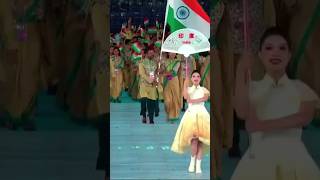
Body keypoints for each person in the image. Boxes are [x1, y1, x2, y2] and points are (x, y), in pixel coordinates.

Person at [231, 27, 320, 179]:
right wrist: (240, 71)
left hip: (295, 160)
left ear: (289, 55)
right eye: (269, 48)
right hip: (258, 159)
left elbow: (303, 118)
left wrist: (262, 126)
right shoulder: (253, 88)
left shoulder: (301, 87)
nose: (276, 52)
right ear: (260, 55)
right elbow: (242, 112)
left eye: (282, 48)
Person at [171, 69, 210, 174]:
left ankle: (198, 165)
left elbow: (204, 98)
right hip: (191, 115)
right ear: (192, 79)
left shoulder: (204, 89)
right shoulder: (188, 89)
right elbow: (185, 96)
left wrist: (193, 101)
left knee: (201, 142)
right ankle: (192, 162)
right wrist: (185, 82)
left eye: (197, 76)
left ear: (200, 78)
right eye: (193, 76)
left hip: (202, 115)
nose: (196, 78)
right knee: (194, 140)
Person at [138, 47, 158, 124]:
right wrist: (150, 81)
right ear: (146, 54)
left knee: (152, 102)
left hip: (152, 85)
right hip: (144, 84)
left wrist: (155, 80)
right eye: (150, 53)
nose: (151, 55)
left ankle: (151, 117)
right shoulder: (141, 63)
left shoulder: (155, 63)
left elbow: (155, 73)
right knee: (143, 101)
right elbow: (142, 74)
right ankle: (143, 116)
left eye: (152, 53)